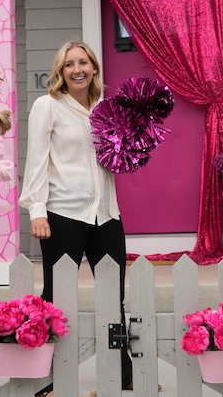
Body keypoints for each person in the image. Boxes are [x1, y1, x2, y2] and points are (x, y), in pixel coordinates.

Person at [19, 40, 133, 395]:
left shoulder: (108, 108)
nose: (77, 69)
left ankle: (124, 377)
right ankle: (49, 380)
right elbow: (36, 159)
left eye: (83, 62)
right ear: (61, 72)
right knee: (56, 296)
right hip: (63, 213)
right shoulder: (48, 107)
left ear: (94, 68)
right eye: (69, 64)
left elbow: (121, 155)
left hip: (107, 214)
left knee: (115, 297)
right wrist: (37, 210)